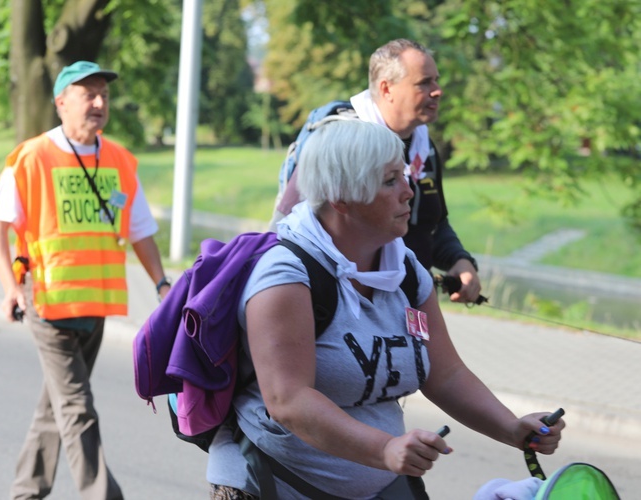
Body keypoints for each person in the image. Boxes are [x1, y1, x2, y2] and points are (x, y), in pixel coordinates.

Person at [206, 119, 563, 499]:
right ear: (342, 197)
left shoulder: (405, 270)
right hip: (275, 484)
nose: (409, 192)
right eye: (390, 181)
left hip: (381, 485)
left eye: (405, 176)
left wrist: (511, 428)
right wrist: (384, 449)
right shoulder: (287, 275)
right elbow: (288, 401)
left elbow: (445, 374)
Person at [0, 60, 171, 500]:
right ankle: (102, 494)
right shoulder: (33, 157)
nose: (99, 103)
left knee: (57, 405)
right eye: (89, 94)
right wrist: (11, 287)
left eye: (104, 94)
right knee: (77, 407)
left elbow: (141, 232)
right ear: (61, 102)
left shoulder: (120, 159)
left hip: (96, 303)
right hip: (48, 301)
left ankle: (26, 490)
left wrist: (163, 285)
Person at [350, 38, 481, 303]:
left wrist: (459, 259)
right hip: (356, 307)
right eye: (424, 83)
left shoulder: (424, 145)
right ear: (387, 89)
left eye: (436, 80)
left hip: (414, 300)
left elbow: (433, 222)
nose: (438, 90)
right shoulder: (345, 143)